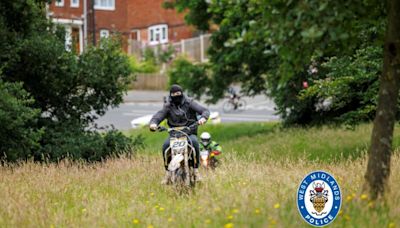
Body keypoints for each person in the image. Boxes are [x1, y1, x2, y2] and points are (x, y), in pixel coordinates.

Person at [149, 84, 210, 184]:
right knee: (165, 146)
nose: (176, 96)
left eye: (178, 94)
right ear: (170, 95)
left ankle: (196, 170)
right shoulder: (168, 106)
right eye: (174, 94)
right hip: (174, 135)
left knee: (195, 143)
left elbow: (204, 110)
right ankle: (167, 173)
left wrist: (203, 118)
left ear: (182, 94)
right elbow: (158, 115)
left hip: (189, 132)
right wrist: (153, 124)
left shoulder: (189, 102)